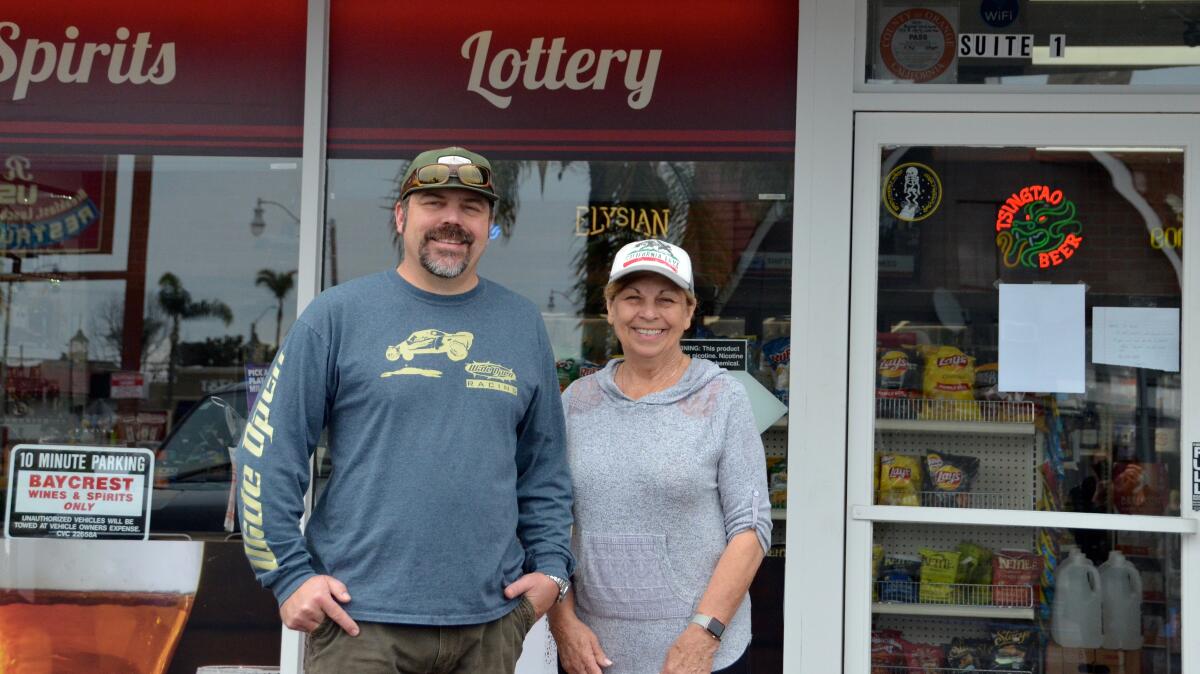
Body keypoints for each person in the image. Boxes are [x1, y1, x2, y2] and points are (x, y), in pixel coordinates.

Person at [236, 146, 574, 673]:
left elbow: (546, 470)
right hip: (359, 625)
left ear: (489, 224)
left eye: (471, 207)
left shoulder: (522, 324)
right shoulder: (336, 316)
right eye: (433, 202)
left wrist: (552, 570)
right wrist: (288, 575)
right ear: (401, 216)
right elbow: (267, 453)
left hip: (489, 626)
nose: (452, 220)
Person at [549, 239, 772, 674]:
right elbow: (549, 522)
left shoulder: (722, 398)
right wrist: (564, 623)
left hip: (699, 657)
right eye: (632, 298)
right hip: (592, 656)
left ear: (689, 313)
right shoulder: (577, 401)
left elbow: (751, 528)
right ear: (610, 309)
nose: (648, 314)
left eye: (666, 300)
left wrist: (704, 633)